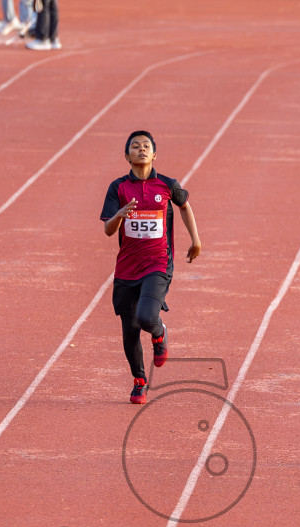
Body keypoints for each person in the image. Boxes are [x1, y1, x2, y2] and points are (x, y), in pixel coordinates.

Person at [100, 130, 202, 404]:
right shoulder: (118, 188)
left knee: (146, 318)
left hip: (158, 263)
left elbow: (184, 205)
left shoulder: (167, 185)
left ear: (154, 154)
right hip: (126, 269)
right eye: (135, 146)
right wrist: (120, 215)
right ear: (127, 156)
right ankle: (139, 381)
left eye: (146, 146)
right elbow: (109, 230)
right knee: (130, 329)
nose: (141, 149)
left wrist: (196, 239)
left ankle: (159, 333)